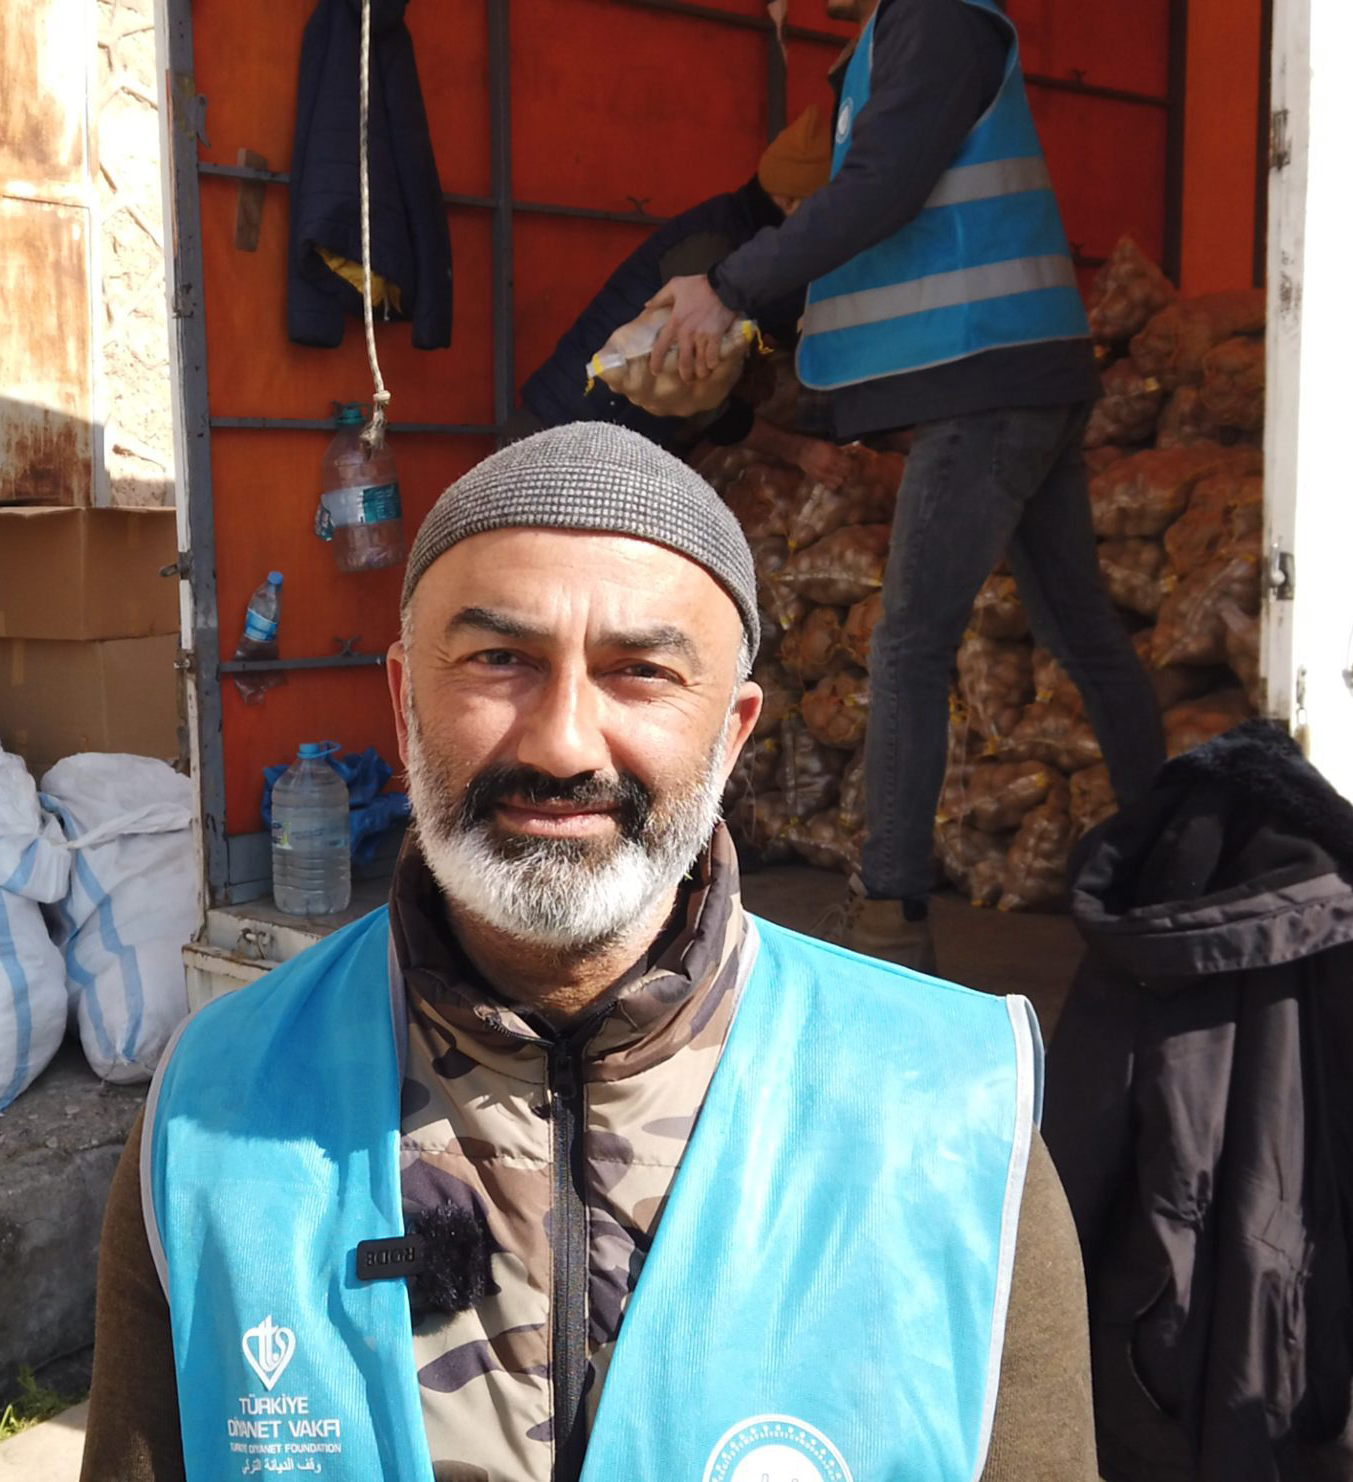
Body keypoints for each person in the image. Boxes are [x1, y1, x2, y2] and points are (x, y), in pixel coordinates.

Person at [80, 424, 1095, 1482]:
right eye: (499, 660)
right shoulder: (217, 1108)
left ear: (732, 732)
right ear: (401, 702)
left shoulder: (948, 1114)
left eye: (640, 672)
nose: (562, 742)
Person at [648, 0, 1166, 972]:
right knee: (1082, 634)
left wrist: (730, 288)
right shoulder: (902, 33)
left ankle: (888, 911)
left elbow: (882, 188)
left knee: (908, 646)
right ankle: (1172, 853)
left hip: (990, 380)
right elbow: (875, 206)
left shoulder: (935, 19)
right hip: (1017, 373)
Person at [506, 105, 849, 485]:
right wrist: (797, 449)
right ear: (789, 203)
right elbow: (698, 400)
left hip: (593, 443)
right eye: (820, 219)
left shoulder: (738, 238)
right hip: (566, 451)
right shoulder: (715, 258)